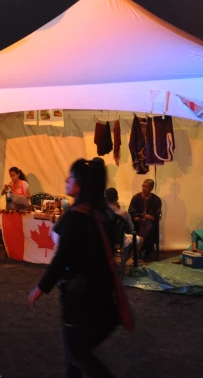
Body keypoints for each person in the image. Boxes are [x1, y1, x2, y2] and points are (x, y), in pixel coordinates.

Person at [28, 158, 125, 378]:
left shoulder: (77, 216)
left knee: (77, 354)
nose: (66, 180)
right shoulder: (106, 214)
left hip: (79, 296)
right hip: (102, 295)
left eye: (71, 176)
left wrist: (41, 287)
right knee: (74, 357)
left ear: (81, 182)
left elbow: (62, 258)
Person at [128, 179, 162, 262]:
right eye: (143, 186)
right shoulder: (136, 198)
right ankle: (140, 250)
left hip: (150, 223)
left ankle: (146, 251)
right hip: (138, 222)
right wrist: (135, 216)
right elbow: (131, 211)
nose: (143, 188)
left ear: (151, 188)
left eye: (146, 187)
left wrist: (152, 217)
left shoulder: (156, 199)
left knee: (149, 226)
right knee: (137, 226)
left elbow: (157, 214)